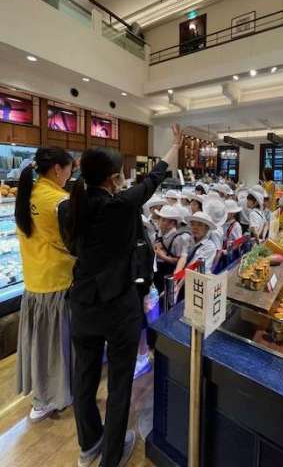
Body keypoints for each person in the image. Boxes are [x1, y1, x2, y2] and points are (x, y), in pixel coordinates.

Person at [59, 124, 183, 467]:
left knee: (83, 377)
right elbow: (154, 178)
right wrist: (174, 147)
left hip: (82, 303)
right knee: (119, 383)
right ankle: (111, 457)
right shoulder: (122, 205)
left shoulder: (68, 208)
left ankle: (89, 445)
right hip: (119, 307)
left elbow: (73, 249)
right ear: (114, 178)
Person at [15, 147, 75, 422]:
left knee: (39, 346)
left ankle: (42, 395)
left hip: (33, 281)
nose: (70, 175)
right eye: (69, 169)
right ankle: (54, 396)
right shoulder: (59, 200)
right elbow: (71, 243)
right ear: (57, 169)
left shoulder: (28, 193)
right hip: (57, 281)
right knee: (56, 347)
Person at [154, 205, 192, 292]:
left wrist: (162, 256)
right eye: (160, 219)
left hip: (169, 274)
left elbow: (179, 261)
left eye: (163, 219)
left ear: (171, 223)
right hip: (159, 272)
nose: (159, 221)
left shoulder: (178, 239)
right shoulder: (160, 234)